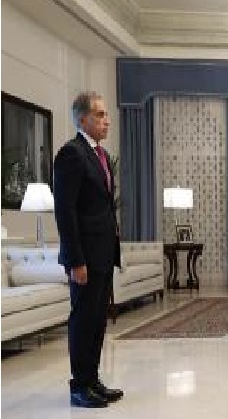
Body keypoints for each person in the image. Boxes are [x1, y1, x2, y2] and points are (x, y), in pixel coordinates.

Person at [53, 91, 123, 408]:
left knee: (97, 320)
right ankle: (79, 386)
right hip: (85, 257)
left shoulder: (101, 154)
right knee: (83, 320)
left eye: (106, 114)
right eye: (100, 115)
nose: (107, 120)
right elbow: (65, 212)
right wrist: (75, 260)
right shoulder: (72, 154)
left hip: (103, 254)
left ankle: (92, 380)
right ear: (83, 119)